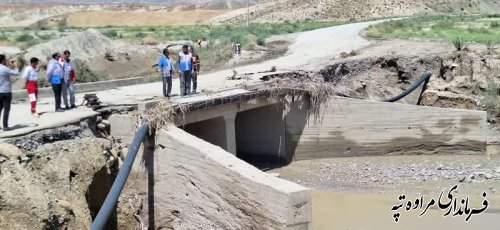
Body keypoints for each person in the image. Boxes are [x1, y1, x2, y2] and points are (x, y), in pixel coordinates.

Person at [0, 54, 20, 131]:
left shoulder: (5, 68)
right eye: (5, 60)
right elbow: (16, 73)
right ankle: (5, 126)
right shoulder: (4, 68)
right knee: (6, 109)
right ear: (2, 60)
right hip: (6, 91)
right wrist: (15, 66)